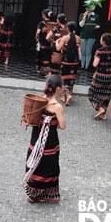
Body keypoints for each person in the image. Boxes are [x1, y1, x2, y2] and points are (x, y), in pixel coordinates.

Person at [23, 74, 66, 203]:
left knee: (36, 163)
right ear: (58, 88)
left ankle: (32, 192)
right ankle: (44, 194)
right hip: (49, 141)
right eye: (62, 86)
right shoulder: (57, 107)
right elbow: (63, 126)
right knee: (48, 165)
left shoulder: (40, 100)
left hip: (36, 139)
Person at [87, 33, 111, 120]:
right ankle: (103, 114)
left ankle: (99, 109)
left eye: (101, 39)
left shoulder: (99, 51)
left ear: (103, 41)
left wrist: (95, 58)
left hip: (100, 76)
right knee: (106, 95)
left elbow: (95, 64)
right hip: (110, 77)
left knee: (91, 93)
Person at [55, 21, 81, 106]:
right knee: (71, 80)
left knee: (63, 79)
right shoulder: (78, 38)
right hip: (75, 62)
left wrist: (56, 42)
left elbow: (58, 49)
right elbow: (80, 50)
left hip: (65, 61)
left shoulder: (65, 38)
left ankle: (67, 95)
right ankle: (66, 97)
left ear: (67, 28)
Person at [79, 5, 100, 70]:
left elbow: (98, 26)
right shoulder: (82, 15)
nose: (88, 8)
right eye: (87, 7)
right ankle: (82, 65)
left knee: (88, 51)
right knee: (83, 51)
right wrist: (84, 16)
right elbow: (81, 24)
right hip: (83, 35)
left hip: (91, 36)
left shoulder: (95, 16)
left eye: (89, 7)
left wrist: (93, 27)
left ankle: (87, 66)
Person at [35, 10, 54, 75]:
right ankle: (48, 71)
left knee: (41, 56)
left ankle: (41, 70)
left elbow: (38, 32)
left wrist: (36, 37)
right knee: (48, 56)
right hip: (50, 42)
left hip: (42, 42)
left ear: (44, 15)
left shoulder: (42, 23)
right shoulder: (53, 23)